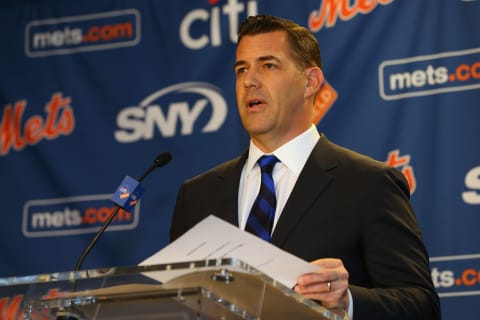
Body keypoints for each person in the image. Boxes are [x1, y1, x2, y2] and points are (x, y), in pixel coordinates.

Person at [170, 15, 441, 319]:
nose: (249, 80)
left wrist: (346, 302)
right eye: (241, 69)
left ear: (310, 82)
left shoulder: (368, 184)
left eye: (268, 65)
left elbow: (421, 306)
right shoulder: (196, 196)